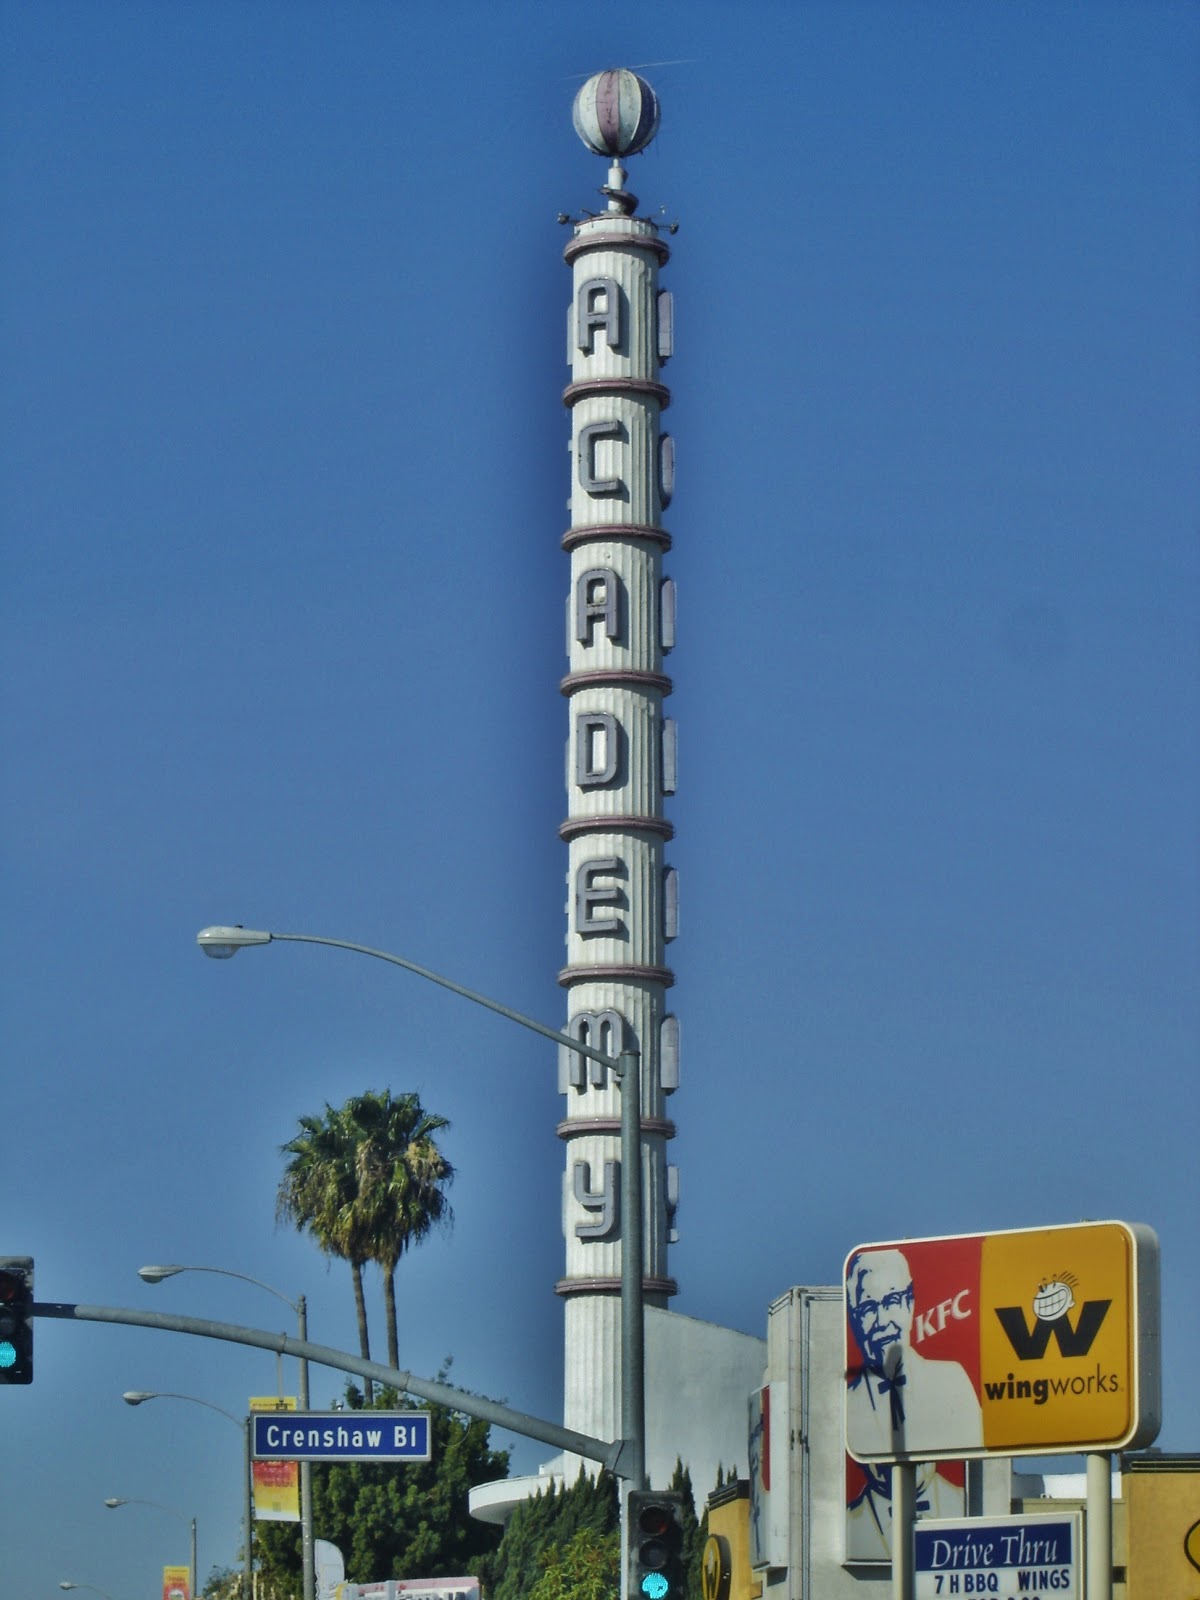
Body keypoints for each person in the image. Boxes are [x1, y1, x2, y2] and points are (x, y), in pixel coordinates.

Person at [845, 1247, 982, 1461]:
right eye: (868, 1309)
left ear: (909, 1304)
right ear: (854, 1320)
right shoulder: (848, 1404)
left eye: (891, 1301)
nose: (882, 1321)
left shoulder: (952, 1382)